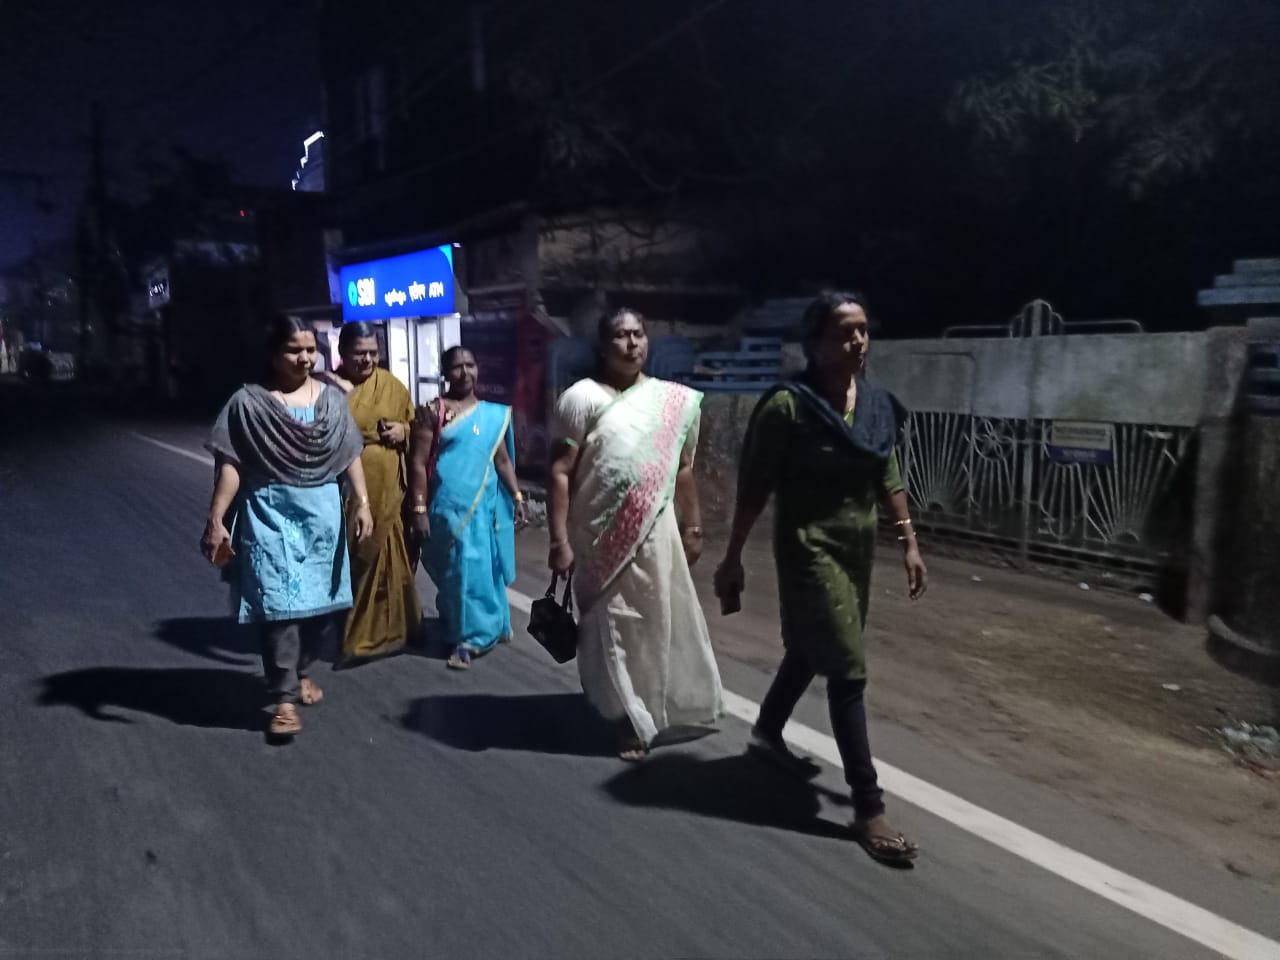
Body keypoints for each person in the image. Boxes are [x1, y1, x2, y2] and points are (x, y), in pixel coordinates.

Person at [713, 291, 928, 866]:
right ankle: (868, 805)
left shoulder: (875, 405)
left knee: (812, 648)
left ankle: (765, 733)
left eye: (863, 331)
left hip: (858, 548)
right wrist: (732, 555)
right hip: (808, 548)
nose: (857, 342)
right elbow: (755, 485)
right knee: (848, 665)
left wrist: (908, 540)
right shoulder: (789, 406)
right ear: (815, 345)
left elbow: (888, 469)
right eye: (844, 333)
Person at [548, 308, 723, 761]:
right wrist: (559, 539)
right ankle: (630, 720)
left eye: (639, 334)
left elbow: (682, 470)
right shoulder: (580, 399)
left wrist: (695, 524)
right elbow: (561, 472)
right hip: (599, 538)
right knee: (615, 627)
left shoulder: (673, 402)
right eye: (621, 336)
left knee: (654, 623)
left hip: (656, 534)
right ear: (604, 346)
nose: (632, 344)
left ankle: (648, 702)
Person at [200, 314, 373, 737]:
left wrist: (363, 503)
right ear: (274, 354)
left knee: (321, 609)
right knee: (278, 609)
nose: (304, 358)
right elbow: (231, 465)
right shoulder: (249, 404)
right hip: (269, 514)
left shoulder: (332, 401)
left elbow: (350, 453)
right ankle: (283, 699)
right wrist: (217, 517)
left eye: (311, 350)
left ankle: (298, 670)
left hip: (323, 516)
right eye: (294, 350)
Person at [407, 346, 527, 670]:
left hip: (481, 507)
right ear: (445, 374)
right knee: (456, 575)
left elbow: (501, 460)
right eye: (457, 367)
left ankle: (471, 637)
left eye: (470, 365)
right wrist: (418, 510)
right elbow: (417, 463)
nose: (465, 372)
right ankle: (463, 625)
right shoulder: (433, 411)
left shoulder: (492, 414)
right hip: (446, 507)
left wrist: (516, 497)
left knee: (477, 570)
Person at [320, 322, 422, 668]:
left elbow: (419, 433)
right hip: (345, 490)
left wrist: (404, 431)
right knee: (354, 556)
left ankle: (392, 631)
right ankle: (352, 629)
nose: (367, 359)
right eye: (360, 353)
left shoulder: (392, 385)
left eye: (373, 353)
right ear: (343, 354)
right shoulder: (325, 388)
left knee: (391, 555)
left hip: (389, 489)